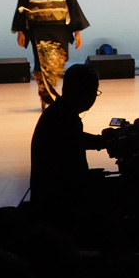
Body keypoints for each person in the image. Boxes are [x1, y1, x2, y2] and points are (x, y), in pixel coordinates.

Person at [11, 0, 90, 108]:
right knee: (43, 63)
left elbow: (73, 6)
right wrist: (20, 31)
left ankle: (47, 94)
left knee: (58, 62)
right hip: (38, 30)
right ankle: (46, 98)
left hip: (59, 29)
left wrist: (77, 32)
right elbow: (22, 5)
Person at [28, 62, 108, 215]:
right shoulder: (65, 118)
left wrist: (100, 141)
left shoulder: (58, 113)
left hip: (48, 199)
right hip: (58, 205)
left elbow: (74, 140)